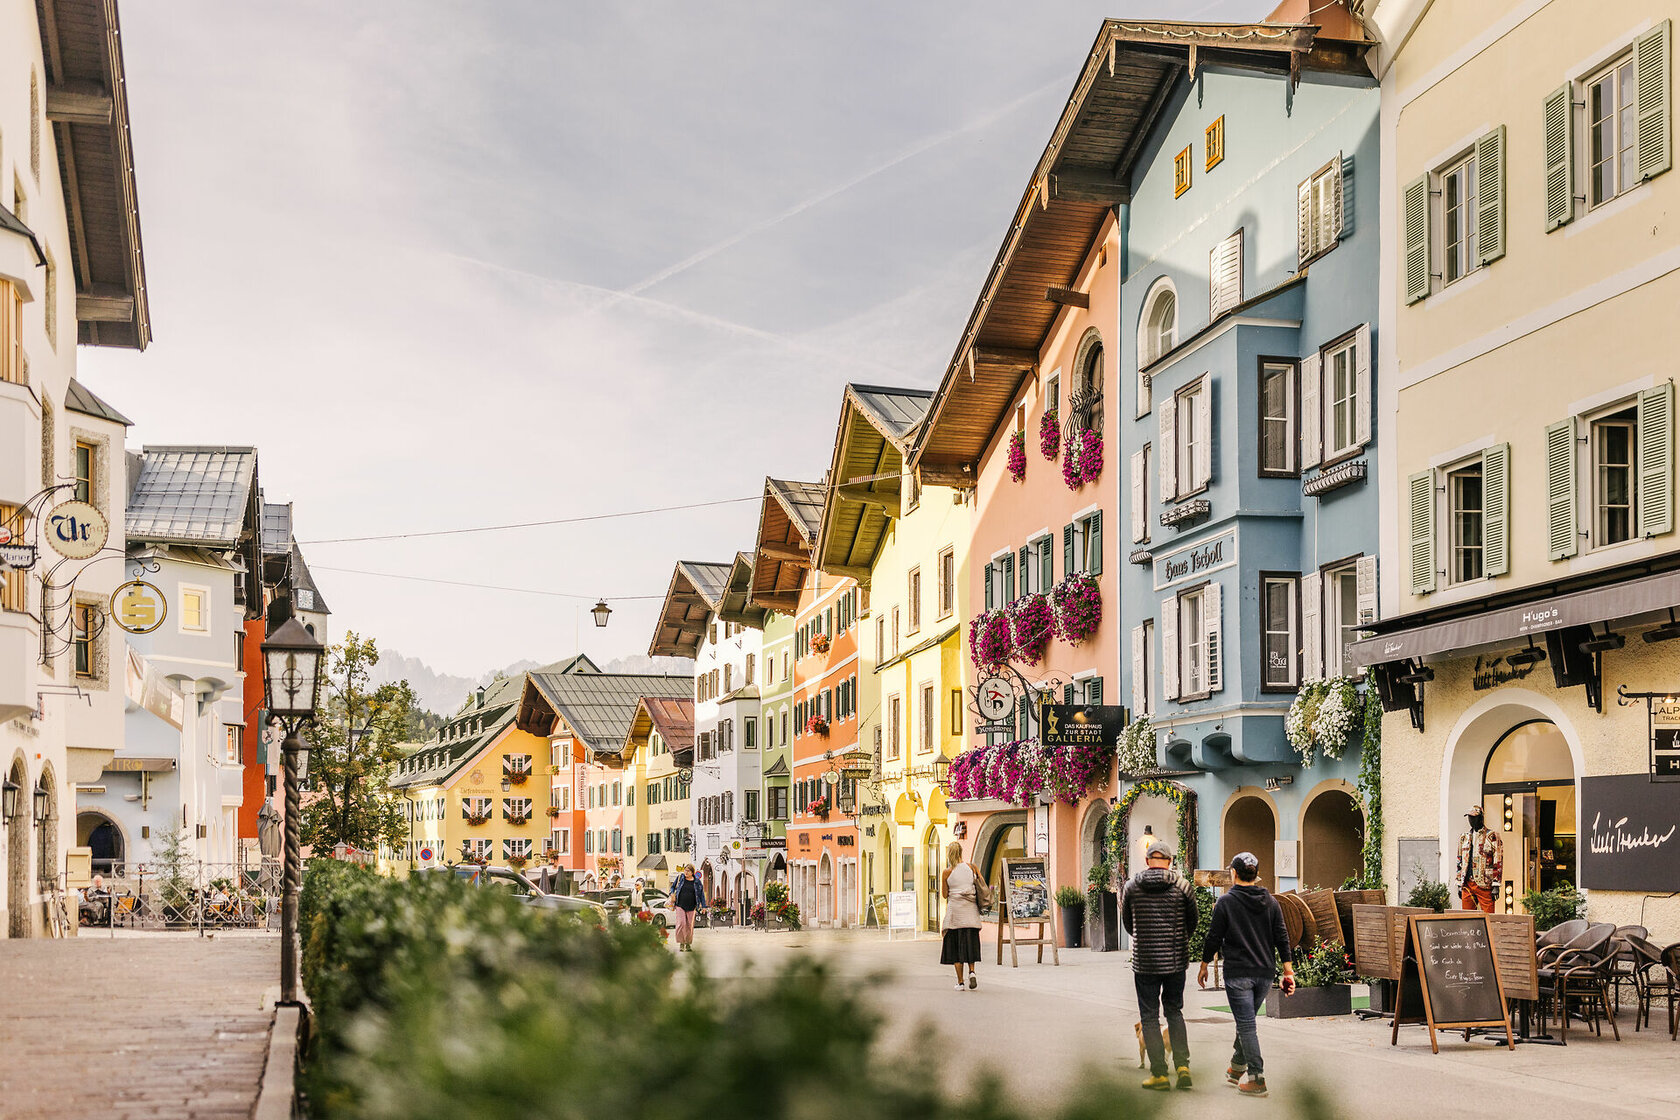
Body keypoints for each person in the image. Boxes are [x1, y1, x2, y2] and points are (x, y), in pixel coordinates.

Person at [1197, 852, 1295, 1099]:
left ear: (1234, 873)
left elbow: (1213, 937)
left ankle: (1257, 1077)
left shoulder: (1226, 903)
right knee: (1247, 1021)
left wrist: (1204, 964)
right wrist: (1288, 971)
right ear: (1255, 875)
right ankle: (1236, 1068)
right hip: (1264, 973)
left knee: (1246, 1024)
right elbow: (1282, 937)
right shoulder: (1271, 902)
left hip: (1238, 973)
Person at [1121, 840, 1198, 1091]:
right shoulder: (1183, 886)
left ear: (1146, 861)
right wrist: (1179, 940)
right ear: (1170, 861)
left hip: (1145, 962)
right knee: (1174, 1012)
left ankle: (1159, 1074)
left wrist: (1144, 938)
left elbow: (1127, 924)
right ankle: (1183, 1067)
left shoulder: (1131, 887)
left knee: (1150, 1016)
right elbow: (1192, 921)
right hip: (1175, 961)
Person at [939, 841, 984, 990]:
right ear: (960, 852)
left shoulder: (947, 872)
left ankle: (960, 982)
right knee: (970, 945)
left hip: (955, 915)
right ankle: (972, 971)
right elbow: (981, 884)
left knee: (956, 950)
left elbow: (945, 895)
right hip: (970, 913)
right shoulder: (972, 867)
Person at [1456, 804, 1503, 913]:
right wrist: (1459, 882)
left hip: (1485, 883)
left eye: (1474, 817)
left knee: (1488, 916)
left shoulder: (1492, 836)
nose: (1471, 820)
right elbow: (1460, 860)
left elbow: (1498, 860)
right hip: (1467, 883)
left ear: (1481, 818)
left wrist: (1496, 884)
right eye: (1469, 817)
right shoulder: (1464, 837)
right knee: (1467, 917)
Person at [671, 863, 706, 951]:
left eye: (688, 871)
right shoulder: (680, 878)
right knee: (681, 923)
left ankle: (688, 943)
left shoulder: (697, 882)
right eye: (685, 870)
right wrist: (672, 894)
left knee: (689, 925)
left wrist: (704, 906)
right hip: (680, 905)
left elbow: (701, 894)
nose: (686, 872)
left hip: (692, 906)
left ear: (692, 872)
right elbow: (672, 887)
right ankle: (681, 943)